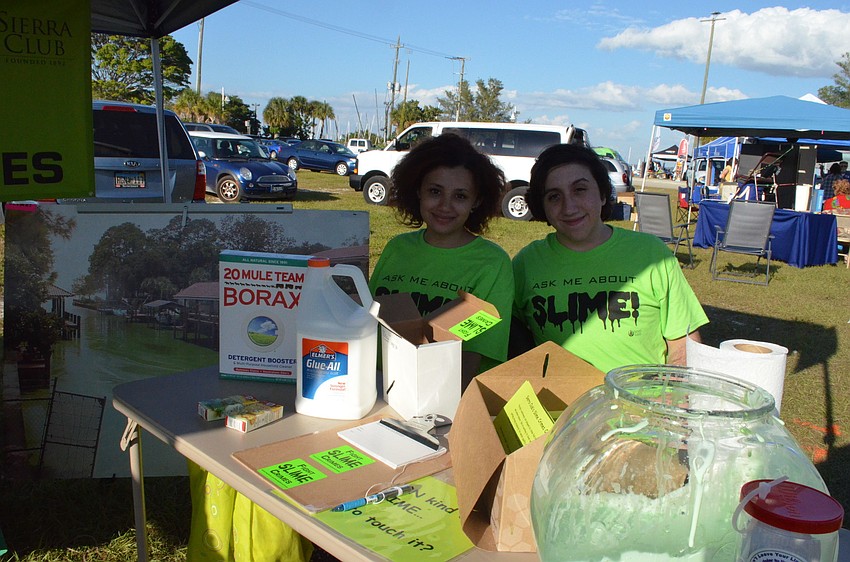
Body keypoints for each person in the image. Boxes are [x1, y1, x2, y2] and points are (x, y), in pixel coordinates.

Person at [511, 144, 709, 373]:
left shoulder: (651, 254)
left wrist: (673, 387)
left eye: (580, 190)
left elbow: (684, 342)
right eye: (554, 196)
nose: (569, 207)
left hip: (639, 394)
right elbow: (509, 333)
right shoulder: (526, 263)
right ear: (543, 206)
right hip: (559, 395)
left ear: (603, 194)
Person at [369, 133, 513, 389]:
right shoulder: (397, 248)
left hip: (437, 396)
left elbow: (475, 356)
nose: (445, 206)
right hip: (373, 386)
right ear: (418, 191)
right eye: (435, 192)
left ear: (477, 201)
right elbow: (366, 322)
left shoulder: (492, 263)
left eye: (460, 196)